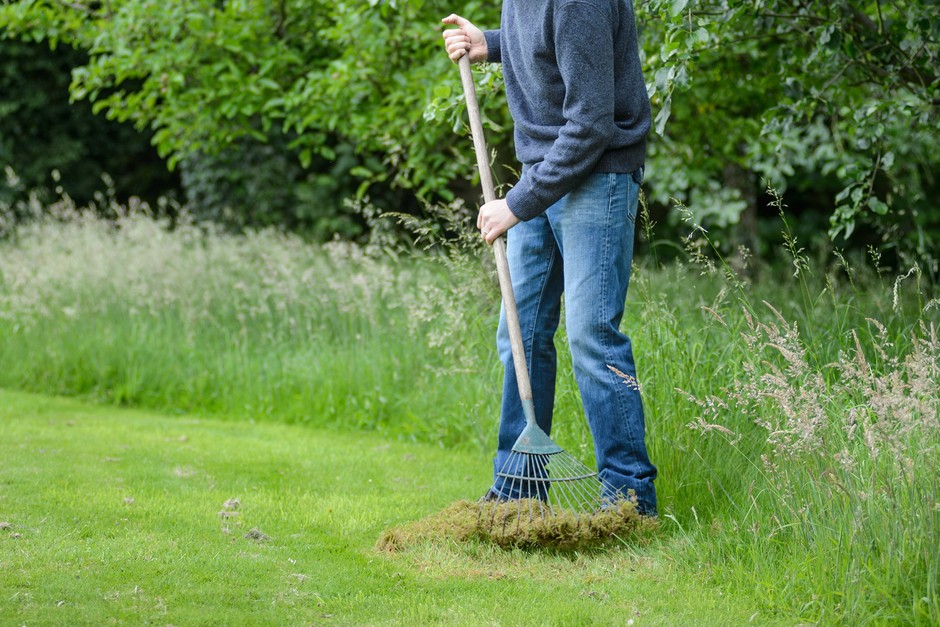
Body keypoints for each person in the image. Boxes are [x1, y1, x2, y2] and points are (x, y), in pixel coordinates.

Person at [442, 0, 657, 516]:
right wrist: (489, 44)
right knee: (521, 332)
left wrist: (516, 205)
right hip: (546, 173)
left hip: (595, 177)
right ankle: (518, 491)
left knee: (591, 336)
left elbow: (590, 124)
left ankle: (629, 499)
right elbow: (548, 46)